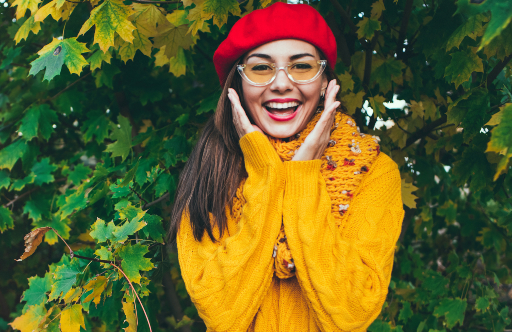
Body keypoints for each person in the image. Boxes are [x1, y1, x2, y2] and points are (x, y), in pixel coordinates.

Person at [168, 3, 405, 331]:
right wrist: (266, 172)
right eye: (261, 68)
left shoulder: (374, 173)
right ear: (237, 86)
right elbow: (221, 314)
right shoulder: (208, 174)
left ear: (325, 83)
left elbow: (352, 314)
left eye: (302, 66)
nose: (281, 83)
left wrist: (303, 176)